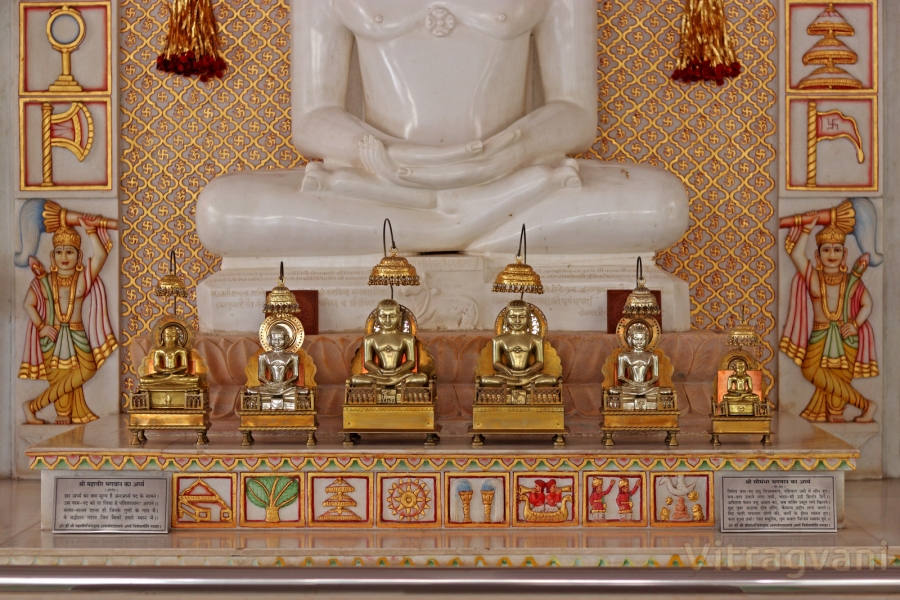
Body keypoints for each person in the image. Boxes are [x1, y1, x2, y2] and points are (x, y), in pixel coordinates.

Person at [196, 0, 687, 258]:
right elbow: (313, 118)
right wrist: (372, 153)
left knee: (663, 204)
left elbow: (574, 112)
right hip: (378, 182)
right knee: (221, 211)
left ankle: (416, 233)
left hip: (511, 177)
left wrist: (514, 149)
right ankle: (460, 228)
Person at [782, 212, 877, 423]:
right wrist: (807, 229)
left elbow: (867, 304)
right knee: (809, 370)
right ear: (818, 256)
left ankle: (836, 412)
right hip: (820, 333)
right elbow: (797, 254)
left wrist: (855, 324)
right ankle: (865, 404)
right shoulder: (814, 277)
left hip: (846, 335)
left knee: (840, 376)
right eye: (826, 250)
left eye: (836, 250)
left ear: (844, 254)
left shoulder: (851, 280)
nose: (831, 254)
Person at [21, 218, 116, 424]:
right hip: (52, 335)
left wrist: (90, 231)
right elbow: (28, 304)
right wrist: (41, 326)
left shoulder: (82, 278)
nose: (64, 257)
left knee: (88, 369)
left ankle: (33, 406)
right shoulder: (44, 280)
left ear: (79, 256)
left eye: (70, 252)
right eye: (59, 252)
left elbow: (101, 255)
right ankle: (62, 414)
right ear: (52, 256)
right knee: (59, 375)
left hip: (76, 333)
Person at [478, 300, 559, 388]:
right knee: (484, 380)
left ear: (528, 318)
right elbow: (496, 363)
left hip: (529, 376)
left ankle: (515, 385)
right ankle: (526, 386)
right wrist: (507, 370)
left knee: (552, 379)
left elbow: (540, 363)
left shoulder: (536, 339)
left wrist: (528, 371)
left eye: (522, 316)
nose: (517, 320)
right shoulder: (498, 340)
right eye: (513, 316)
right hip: (507, 376)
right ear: (506, 318)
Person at [350, 299, 427, 387]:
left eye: (392, 316)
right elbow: (367, 362)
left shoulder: (407, 338)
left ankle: (386, 384)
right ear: (377, 317)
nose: (387, 320)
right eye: (383, 316)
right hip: (379, 375)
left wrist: (397, 371)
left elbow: (411, 361)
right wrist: (380, 370)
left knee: (422, 378)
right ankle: (393, 383)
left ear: (399, 316)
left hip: (400, 375)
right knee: (355, 379)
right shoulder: (369, 339)